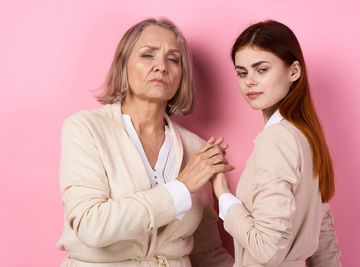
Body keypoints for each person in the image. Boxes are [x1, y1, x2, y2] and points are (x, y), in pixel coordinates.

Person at [57, 18, 235, 267]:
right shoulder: (86, 129)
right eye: (148, 55)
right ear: (123, 64)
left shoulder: (198, 149)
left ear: (181, 75)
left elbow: (206, 253)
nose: (161, 66)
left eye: (173, 59)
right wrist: (181, 187)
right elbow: (91, 226)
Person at [212, 20, 341, 266]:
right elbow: (324, 242)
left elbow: (266, 250)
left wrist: (223, 194)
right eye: (242, 72)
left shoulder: (277, 139)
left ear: (294, 71)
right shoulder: (307, 136)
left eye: (261, 69)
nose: (249, 81)